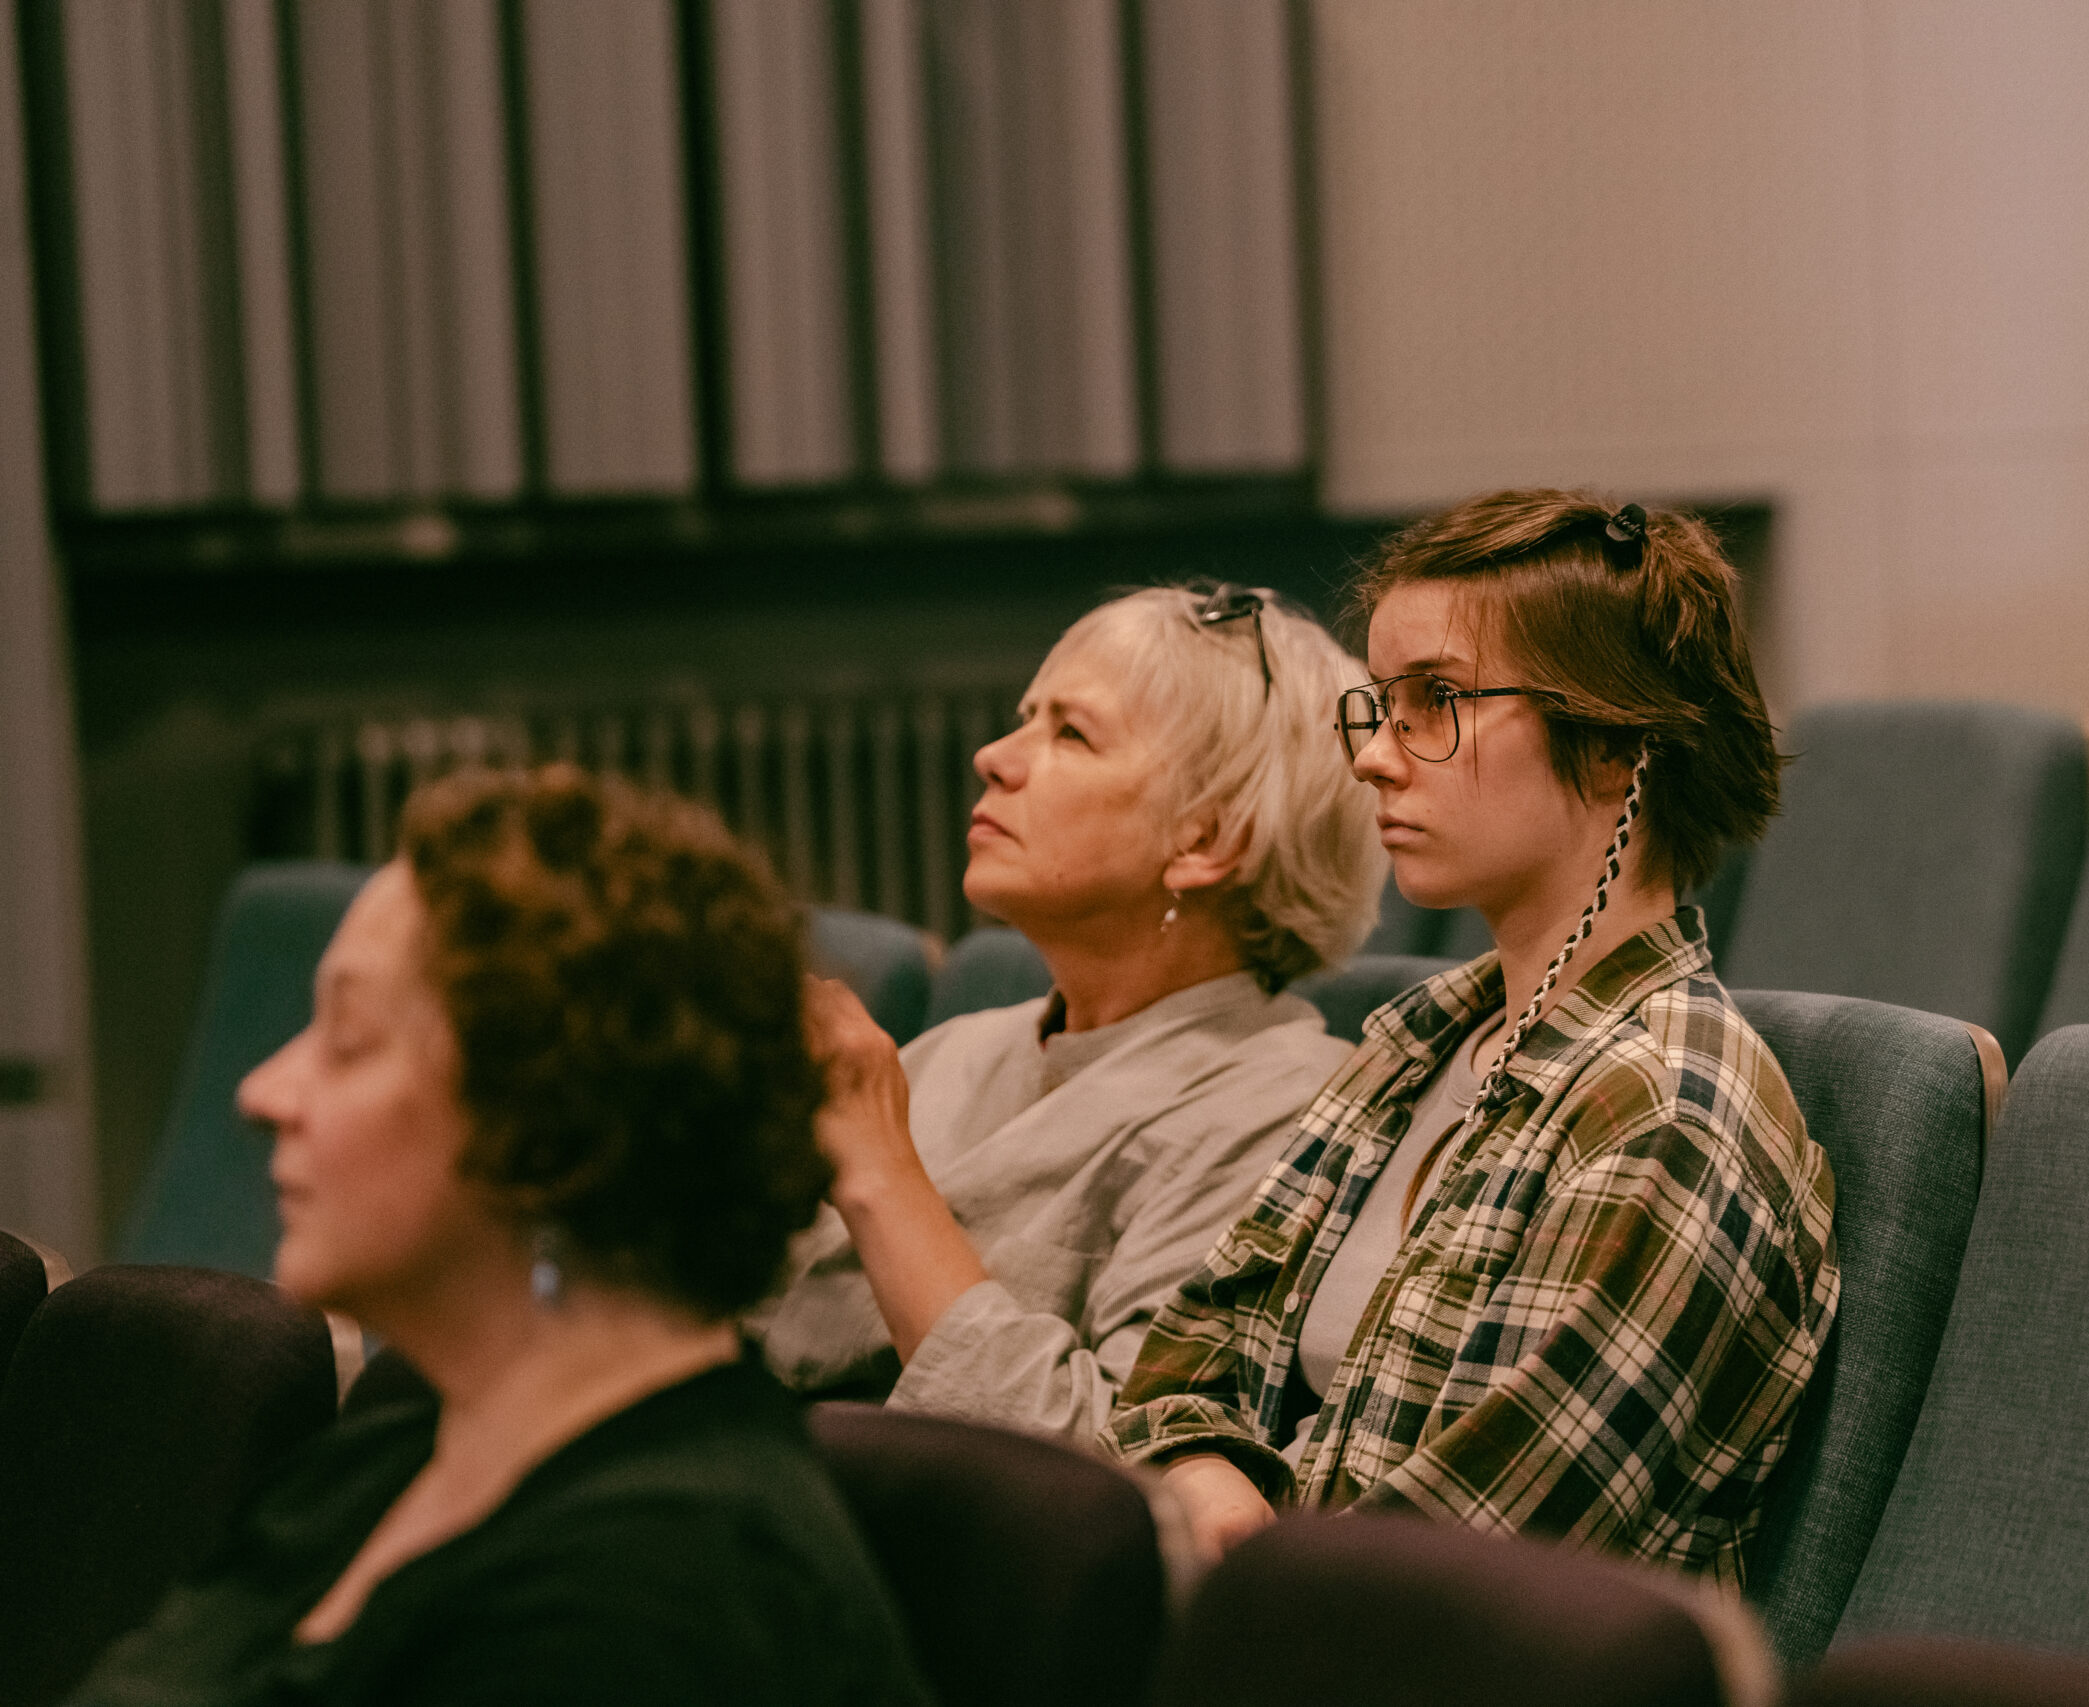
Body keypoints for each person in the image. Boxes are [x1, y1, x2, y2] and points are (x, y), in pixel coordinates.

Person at [73, 768, 930, 1707]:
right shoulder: (379, 1464)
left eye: (347, 1039)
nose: (263, 1091)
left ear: (548, 1120)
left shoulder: (652, 1604)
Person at [1105, 490, 1840, 1586]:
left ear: (1615, 744)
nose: (1374, 757)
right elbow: (1183, 1361)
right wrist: (1202, 1467)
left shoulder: (1666, 1113)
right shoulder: (1421, 1037)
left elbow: (1446, 1582)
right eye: (1380, 705)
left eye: (1437, 700)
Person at [756, 584, 1387, 1441]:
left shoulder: (1288, 1112)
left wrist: (880, 1174)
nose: (992, 756)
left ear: (1209, 839)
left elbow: (1122, 1465)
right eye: (1026, 718)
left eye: (1071, 733)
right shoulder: (955, 1049)